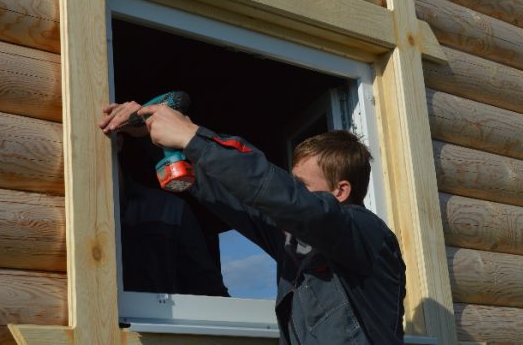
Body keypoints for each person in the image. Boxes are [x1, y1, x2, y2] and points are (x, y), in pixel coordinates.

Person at [101, 101, 406, 344]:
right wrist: (164, 139)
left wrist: (193, 136)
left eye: (301, 185)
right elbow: (245, 199)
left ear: (340, 191)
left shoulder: (367, 233)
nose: (292, 191)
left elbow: (283, 197)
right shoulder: (301, 243)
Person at [100, 105, 229, 297]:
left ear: (118, 142)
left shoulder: (169, 210)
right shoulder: (68, 213)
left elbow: (209, 291)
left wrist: (151, 129)